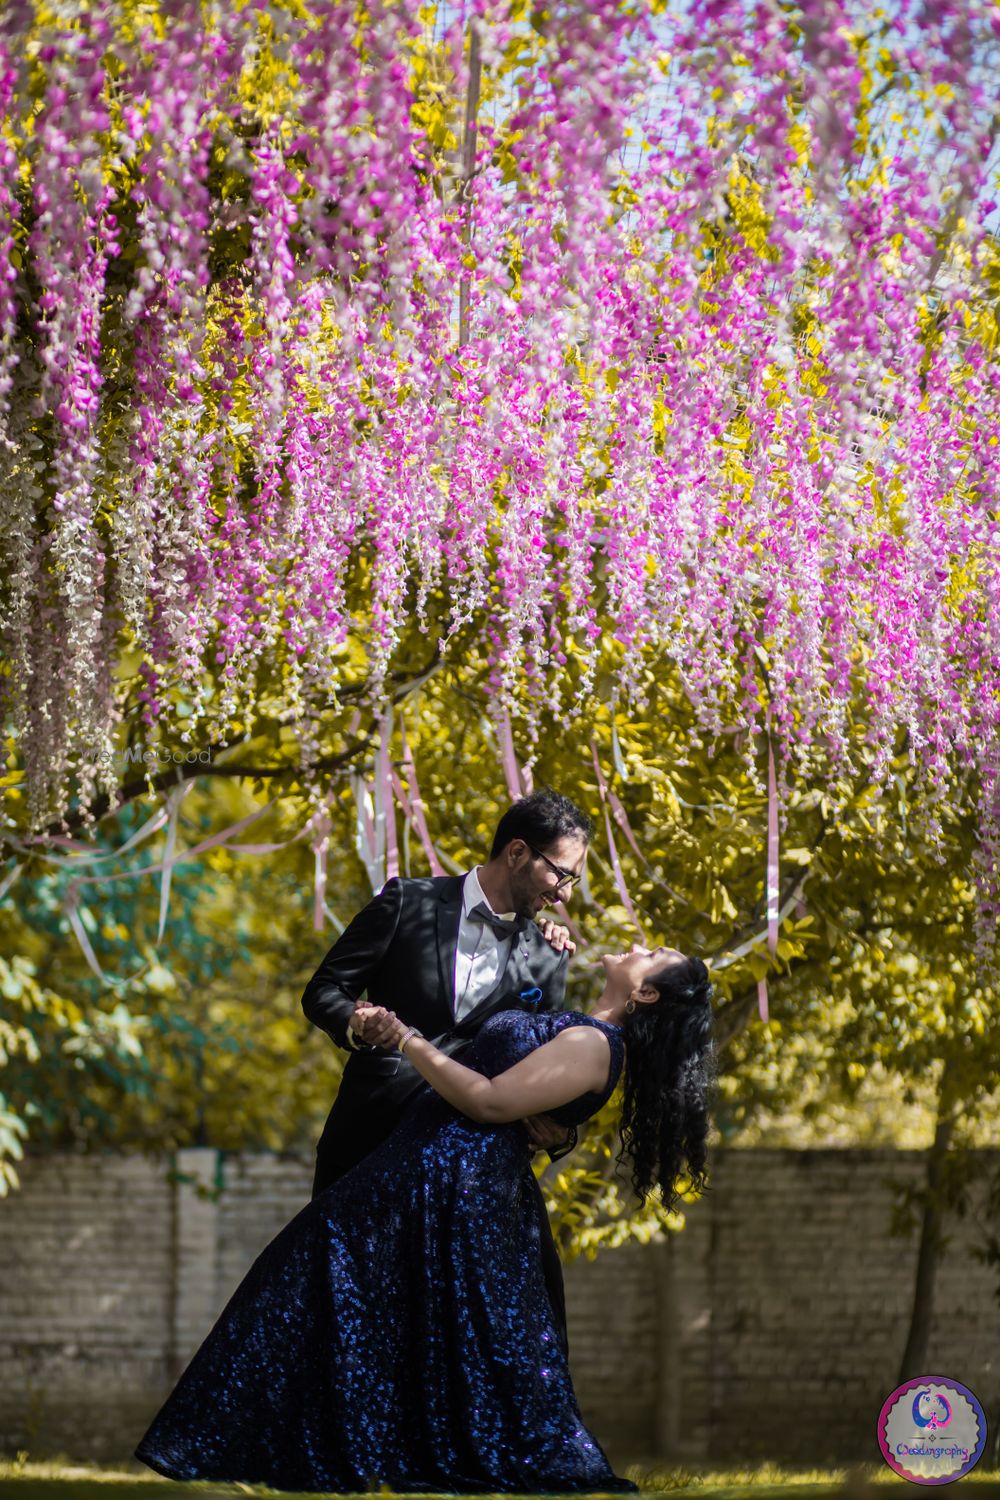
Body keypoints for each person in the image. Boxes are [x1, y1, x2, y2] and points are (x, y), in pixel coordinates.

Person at [134, 945, 716, 1495]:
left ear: (645, 995)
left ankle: (241, 1446)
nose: (642, 943)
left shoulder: (594, 1042)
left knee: (316, 1269)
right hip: (421, 1166)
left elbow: (488, 1101)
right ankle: (307, 1449)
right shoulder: (582, 1027)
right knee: (334, 1291)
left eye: (655, 955)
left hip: (453, 1186)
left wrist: (408, 1040)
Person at [302, 788, 593, 1347]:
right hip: (369, 1142)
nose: (564, 894)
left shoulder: (548, 955)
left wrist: (561, 1130)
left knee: (437, 1341)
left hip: (465, 1175)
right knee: (343, 1323)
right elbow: (323, 991)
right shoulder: (406, 902)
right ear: (516, 853)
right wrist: (359, 1024)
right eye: (561, 874)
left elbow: (542, 1067)